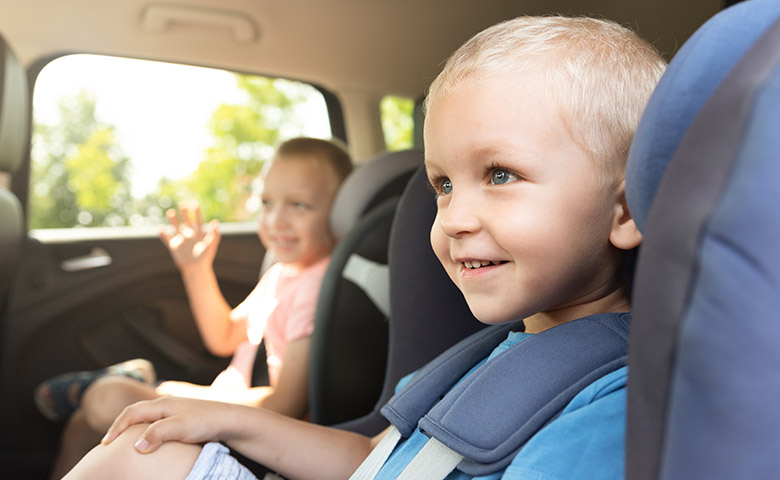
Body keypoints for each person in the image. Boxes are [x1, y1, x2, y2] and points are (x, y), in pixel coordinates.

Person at [62, 15, 665, 480]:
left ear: (626, 209)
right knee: (142, 451)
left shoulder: (616, 405)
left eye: (501, 175)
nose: (454, 217)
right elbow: (374, 460)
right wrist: (227, 417)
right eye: (444, 186)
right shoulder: (489, 355)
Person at [36, 136, 353, 479]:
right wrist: (196, 270)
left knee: (106, 399)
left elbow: (284, 404)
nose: (276, 220)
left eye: (299, 205)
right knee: (84, 422)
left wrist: (174, 394)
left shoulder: (318, 285)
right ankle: (123, 382)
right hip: (223, 408)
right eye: (266, 203)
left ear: (338, 213)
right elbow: (224, 336)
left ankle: (123, 381)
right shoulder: (282, 274)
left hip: (256, 434)